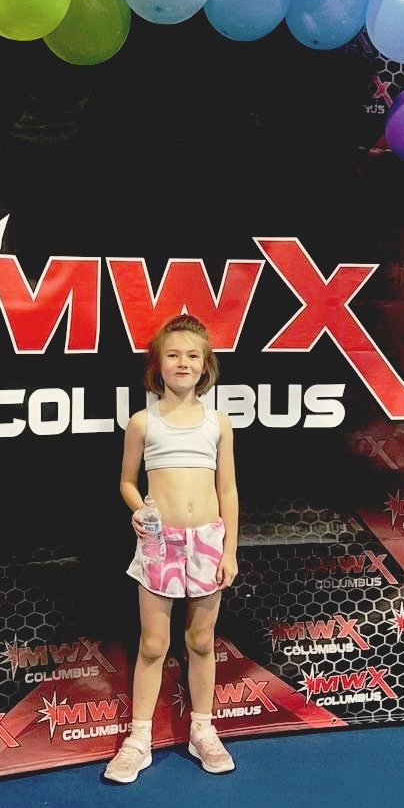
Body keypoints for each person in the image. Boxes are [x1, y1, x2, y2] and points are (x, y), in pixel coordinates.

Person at [103, 313, 239, 783]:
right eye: (173, 354)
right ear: (158, 364)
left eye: (193, 355)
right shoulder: (142, 421)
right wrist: (138, 507)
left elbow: (230, 490)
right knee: (154, 643)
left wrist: (230, 551)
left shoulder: (218, 421)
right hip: (159, 544)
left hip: (208, 542)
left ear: (206, 366)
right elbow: (125, 481)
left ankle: (202, 729)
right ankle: (138, 739)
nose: (183, 363)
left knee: (201, 640)